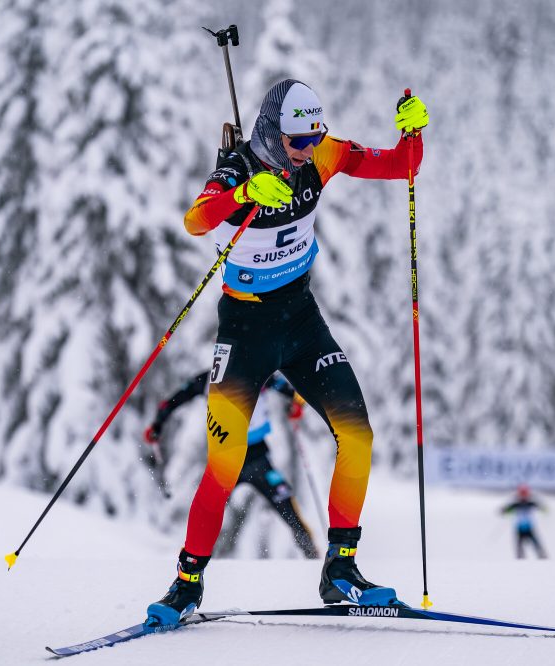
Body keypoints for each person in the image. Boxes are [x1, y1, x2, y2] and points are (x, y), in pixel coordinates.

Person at [145, 79, 429, 626]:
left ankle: (340, 568)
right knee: (225, 463)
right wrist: (244, 195)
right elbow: (196, 220)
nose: (308, 150)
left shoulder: (321, 154)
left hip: (300, 321)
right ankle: (186, 583)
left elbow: (403, 166)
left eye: (314, 138)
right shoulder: (238, 169)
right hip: (245, 329)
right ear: (273, 134)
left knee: (357, 435)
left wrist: (412, 133)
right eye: (298, 141)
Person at [144, 370, 318, 559]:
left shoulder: (259, 373)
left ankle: (312, 557)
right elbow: (173, 401)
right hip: (229, 460)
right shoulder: (213, 378)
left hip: (253, 459)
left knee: (287, 508)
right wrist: (157, 425)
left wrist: (296, 405)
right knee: (207, 513)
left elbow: (298, 393)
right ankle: (190, 557)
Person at [500, 484, 548, 559]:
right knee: (519, 546)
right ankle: (520, 559)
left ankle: (542, 557)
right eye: (522, 494)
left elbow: (542, 508)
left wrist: (543, 508)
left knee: (536, 544)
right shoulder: (516, 504)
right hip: (520, 527)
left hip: (529, 527)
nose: (523, 496)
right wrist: (505, 510)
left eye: (525, 494)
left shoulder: (530, 503)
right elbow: (505, 511)